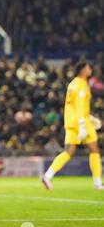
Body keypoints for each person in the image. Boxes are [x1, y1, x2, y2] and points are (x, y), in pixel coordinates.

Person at [42, 61, 103, 190]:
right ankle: (97, 182)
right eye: (88, 67)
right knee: (94, 149)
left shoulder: (72, 84)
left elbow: (75, 105)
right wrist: (83, 124)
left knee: (69, 151)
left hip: (70, 121)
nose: (90, 69)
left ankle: (48, 176)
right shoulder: (81, 85)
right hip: (80, 122)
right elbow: (80, 106)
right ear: (82, 70)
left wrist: (89, 118)